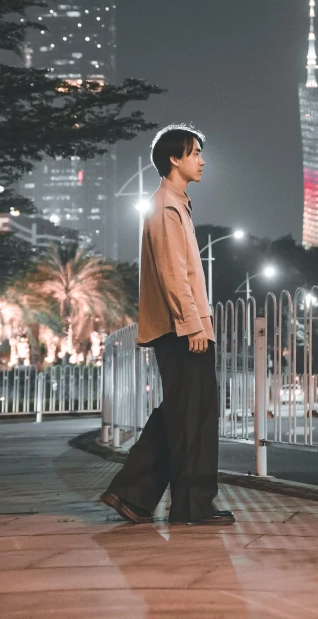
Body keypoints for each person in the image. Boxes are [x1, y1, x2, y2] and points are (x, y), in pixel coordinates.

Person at [101, 124, 235, 526]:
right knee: (193, 417)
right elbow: (174, 274)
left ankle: (132, 495)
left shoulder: (175, 204)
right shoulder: (165, 207)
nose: (202, 160)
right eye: (195, 153)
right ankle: (191, 506)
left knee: (181, 413)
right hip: (183, 330)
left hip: (184, 327)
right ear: (174, 159)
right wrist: (193, 325)